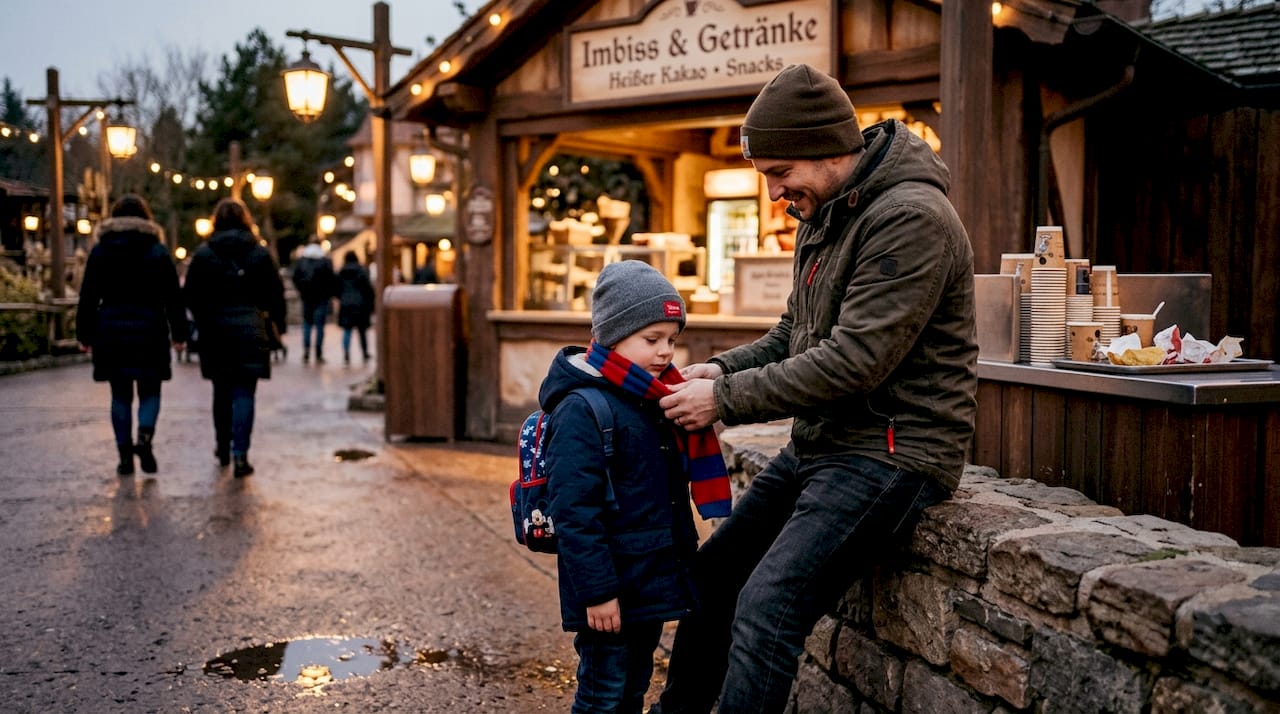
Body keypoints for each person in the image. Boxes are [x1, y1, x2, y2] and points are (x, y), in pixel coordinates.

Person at [653, 64, 978, 713]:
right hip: (825, 443)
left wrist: (723, 402)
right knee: (712, 580)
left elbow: (855, 360)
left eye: (779, 173)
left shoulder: (911, 218)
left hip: (892, 452)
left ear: (828, 149)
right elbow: (792, 332)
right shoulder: (827, 210)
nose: (773, 191)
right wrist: (719, 370)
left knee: (767, 606)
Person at [538, 260, 732, 714]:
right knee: (602, 695)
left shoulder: (652, 396)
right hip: (610, 590)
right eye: (651, 339)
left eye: (671, 339)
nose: (666, 352)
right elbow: (575, 512)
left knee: (633, 687)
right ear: (613, 334)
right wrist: (598, 592)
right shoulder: (582, 409)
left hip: (648, 583)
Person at [76, 194, 189, 476]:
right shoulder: (157, 251)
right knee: (150, 390)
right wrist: (179, 333)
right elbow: (172, 297)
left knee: (120, 394)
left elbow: (88, 295)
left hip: (111, 329)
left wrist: (84, 333)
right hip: (150, 328)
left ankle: (124, 455)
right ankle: (145, 438)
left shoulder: (101, 250)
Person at [182, 198, 286, 477]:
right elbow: (276, 293)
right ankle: (241, 453)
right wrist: (278, 324)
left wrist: (202, 317)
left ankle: (222, 446)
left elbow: (190, 294)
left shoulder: (204, 254)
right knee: (244, 392)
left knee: (221, 391)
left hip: (215, 330)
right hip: (250, 328)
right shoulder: (259, 254)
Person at [290, 239, 338, 364]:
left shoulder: (302, 260)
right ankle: (318, 352)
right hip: (321, 297)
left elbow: (295, 277)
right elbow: (331, 279)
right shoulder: (325, 261)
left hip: (306, 296)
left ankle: (306, 350)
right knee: (320, 326)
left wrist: (301, 290)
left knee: (307, 324)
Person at [336, 251, 375, 365]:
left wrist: (342, 297)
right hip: (360, 304)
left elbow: (337, 287)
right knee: (362, 331)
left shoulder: (341, 272)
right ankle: (364, 352)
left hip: (346, 304)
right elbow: (368, 289)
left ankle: (346, 353)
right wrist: (370, 303)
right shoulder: (362, 271)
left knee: (347, 330)